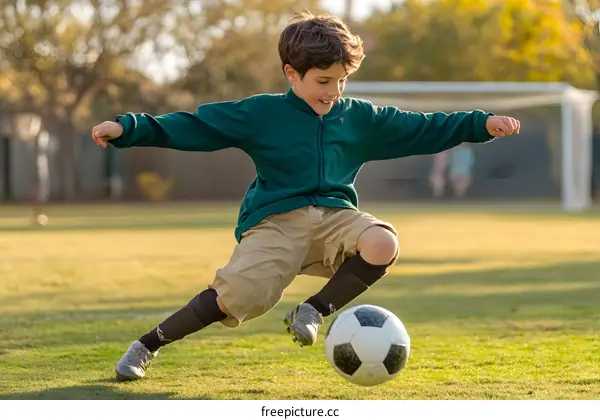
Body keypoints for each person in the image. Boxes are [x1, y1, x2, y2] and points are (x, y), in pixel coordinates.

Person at [91, 12, 520, 381]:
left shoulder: (359, 118)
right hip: (275, 224)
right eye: (323, 80)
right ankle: (148, 344)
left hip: (336, 218)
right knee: (238, 300)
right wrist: (129, 129)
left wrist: (480, 125)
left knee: (382, 241)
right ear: (291, 73)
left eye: (342, 80)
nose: (333, 91)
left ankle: (312, 310)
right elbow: (195, 125)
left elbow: (424, 127)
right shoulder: (262, 113)